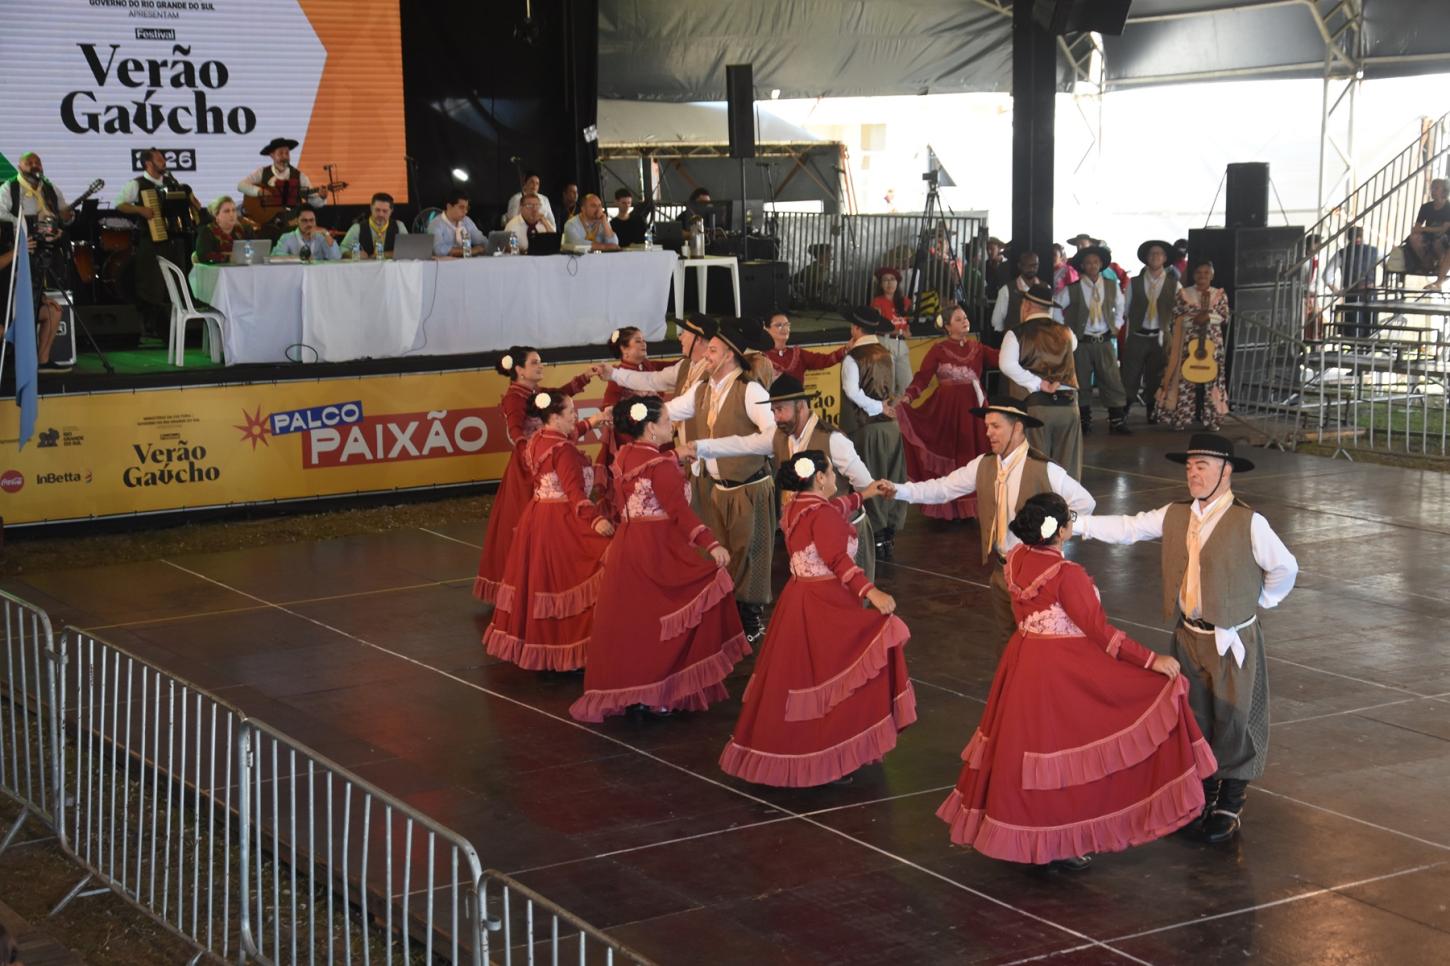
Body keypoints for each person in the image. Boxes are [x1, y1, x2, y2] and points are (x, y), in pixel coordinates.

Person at [936, 492, 1217, 868]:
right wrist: (1151, 660)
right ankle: (1055, 839)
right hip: (1060, 671)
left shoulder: (1016, 557)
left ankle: (1032, 833)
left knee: (1027, 749)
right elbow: (1101, 633)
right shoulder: (1067, 574)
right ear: (1061, 531)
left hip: (1023, 661)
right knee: (1061, 755)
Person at [1073, 434, 1298, 844]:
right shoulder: (1176, 514)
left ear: (1226, 471)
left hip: (1231, 638)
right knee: (1194, 716)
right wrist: (1079, 524)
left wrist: (1256, 602)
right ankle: (1203, 793)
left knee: (1234, 719)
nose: (1193, 473)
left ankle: (1230, 801)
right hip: (1188, 635)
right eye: (1190, 466)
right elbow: (1130, 527)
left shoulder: (1249, 522)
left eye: (1203, 466)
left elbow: (1285, 568)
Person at [718, 452, 910, 788]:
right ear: (819, 478)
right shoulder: (822, 515)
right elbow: (838, 560)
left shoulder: (796, 507)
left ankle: (805, 749)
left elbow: (833, 509)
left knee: (802, 678)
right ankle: (826, 753)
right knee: (832, 679)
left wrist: (864, 494)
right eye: (831, 472)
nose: (835, 477)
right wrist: (872, 592)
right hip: (826, 605)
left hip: (798, 600)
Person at [570, 396, 749, 722]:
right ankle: (659, 691)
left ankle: (635, 692)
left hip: (628, 546)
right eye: (667, 420)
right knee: (663, 620)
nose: (672, 425)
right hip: (658, 550)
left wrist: (674, 455)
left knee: (634, 623)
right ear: (651, 427)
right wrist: (712, 545)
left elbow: (648, 467)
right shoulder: (660, 465)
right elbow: (680, 512)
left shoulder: (625, 455)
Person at [879, 397, 1093, 652]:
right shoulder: (984, 464)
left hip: (1038, 575)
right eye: (987, 426)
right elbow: (943, 488)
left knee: (1038, 647)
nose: (988, 432)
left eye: (996, 426)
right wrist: (899, 490)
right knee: (1008, 645)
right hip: (1002, 571)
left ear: (1017, 427)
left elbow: (1085, 503)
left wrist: (1055, 532)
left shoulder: (1044, 469)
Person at [483, 390, 615, 671]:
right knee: (583, 572)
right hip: (563, 520)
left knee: (545, 583)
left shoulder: (537, 439)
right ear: (554, 417)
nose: (575, 416)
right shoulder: (563, 450)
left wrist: (595, 421)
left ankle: (549, 647)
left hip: (537, 517)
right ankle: (572, 646)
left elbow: (568, 436)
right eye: (571, 412)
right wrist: (596, 521)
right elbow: (576, 494)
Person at [666, 318, 779, 642]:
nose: (706, 355)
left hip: (748, 487)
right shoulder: (703, 389)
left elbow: (772, 439)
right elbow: (669, 411)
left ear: (730, 355)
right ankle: (727, 616)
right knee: (722, 554)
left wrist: (711, 447)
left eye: (713, 351)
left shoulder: (750, 390)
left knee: (750, 554)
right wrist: (632, 414)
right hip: (717, 488)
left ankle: (749, 619)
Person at [473, 348, 599, 603]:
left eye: (540, 362)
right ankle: (525, 586)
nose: (540, 366)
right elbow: (515, 432)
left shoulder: (534, 393)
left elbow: (558, 398)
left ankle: (544, 582)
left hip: (542, 462)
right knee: (527, 524)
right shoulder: (514, 398)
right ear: (519, 370)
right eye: (534, 363)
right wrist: (532, 456)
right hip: (529, 469)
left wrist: (584, 377)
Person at [595, 314, 718, 511]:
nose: (679, 337)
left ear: (699, 338)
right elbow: (652, 380)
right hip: (660, 440)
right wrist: (614, 376)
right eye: (638, 341)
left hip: (706, 453)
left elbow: (663, 389)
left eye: (684, 332)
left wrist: (644, 414)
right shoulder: (686, 366)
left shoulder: (712, 370)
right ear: (624, 349)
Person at [895, 303, 999, 520]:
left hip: (974, 413)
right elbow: (923, 378)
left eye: (965, 317)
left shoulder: (977, 347)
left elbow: (1002, 359)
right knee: (952, 457)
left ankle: (972, 508)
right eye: (958, 319)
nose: (965, 321)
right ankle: (950, 508)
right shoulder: (938, 350)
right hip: (946, 413)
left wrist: (1022, 348)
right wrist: (909, 396)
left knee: (974, 456)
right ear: (948, 326)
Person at [838, 306, 908, 560]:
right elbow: (897, 385)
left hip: (867, 427)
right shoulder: (886, 353)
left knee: (871, 477)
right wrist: (885, 406)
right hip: (890, 427)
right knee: (892, 475)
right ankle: (889, 530)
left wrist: (877, 407)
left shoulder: (853, 358)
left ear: (856, 328)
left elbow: (851, 391)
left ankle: (877, 532)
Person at [999, 286, 1082, 479]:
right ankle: (1067, 499)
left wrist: (1037, 383)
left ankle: (1040, 499)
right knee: (1068, 468)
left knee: (1036, 464)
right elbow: (1072, 349)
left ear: (1026, 305)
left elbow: (1006, 364)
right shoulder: (1067, 333)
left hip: (1037, 406)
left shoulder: (1017, 333)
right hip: (1069, 406)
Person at [115, 147, 200, 334]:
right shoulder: (137, 184)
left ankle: (179, 324)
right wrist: (140, 210)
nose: (164, 163)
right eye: (160, 160)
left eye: (163, 159)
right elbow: (119, 204)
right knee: (151, 284)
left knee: (177, 281)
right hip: (151, 240)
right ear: (148, 163)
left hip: (175, 239)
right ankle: (153, 327)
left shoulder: (172, 183)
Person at [1058, 245, 1129, 436]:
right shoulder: (1073, 289)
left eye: (1096, 262)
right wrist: (1064, 331)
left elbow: (1120, 306)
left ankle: (1116, 420)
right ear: (1082, 265)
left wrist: (1117, 325)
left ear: (1101, 264)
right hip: (1082, 342)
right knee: (1081, 381)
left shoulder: (1111, 286)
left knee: (1111, 379)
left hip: (1104, 340)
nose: (1092, 265)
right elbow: (1055, 306)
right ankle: (1083, 420)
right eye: (1088, 262)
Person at [1158, 261, 1231, 431]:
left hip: (1212, 344)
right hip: (1188, 342)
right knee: (1184, 379)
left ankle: (1212, 419)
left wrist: (1208, 317)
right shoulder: (1184, 294)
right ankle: (1181, 418)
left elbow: (1225, 316)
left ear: (1212, 275)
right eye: (1199, 272)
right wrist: (1193, 319)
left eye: (1206, 273)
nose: (1202, 276)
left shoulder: (1219, 294)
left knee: (1213, 379)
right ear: (1193, 275)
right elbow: (1176, 316)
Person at [1121, 240, 1179, 424]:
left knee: (1156, 376)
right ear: (1146, 258)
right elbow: (1125, 309)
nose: (1155, 257)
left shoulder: (1174, 285)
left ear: (1165, 258)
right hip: (1138, 335)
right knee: (1130, 375)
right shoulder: (1134, 282)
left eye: (1159, 253)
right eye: (1152, 253)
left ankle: (1152, 410)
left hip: (1161, 336)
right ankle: (1123, 410)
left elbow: (1179, 311)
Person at [0, 218, 64, 372]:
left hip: (15, 306)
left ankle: (43, 361)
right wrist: (16, 251)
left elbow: (24, 278)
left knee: (53, 312)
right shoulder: (13, 250)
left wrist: (41, 298)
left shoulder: (10, 243)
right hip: (3, 311)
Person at [237, 137, 325, 211]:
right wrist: (259, 191)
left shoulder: (299, 176)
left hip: (293, 221)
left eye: (287, 153)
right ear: (272, 155)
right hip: (267, 220)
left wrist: (322, 197)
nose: (285, 157)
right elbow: (241, 185)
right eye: (280, 153)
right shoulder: (262, 172)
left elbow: (316, 204)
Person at [1326, 226, 1381, 338]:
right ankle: (1368, 346)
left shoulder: (1342, 253)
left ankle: (1355, 347)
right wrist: (1381, 284)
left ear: (1349, 238)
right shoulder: (1374, 251)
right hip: (1370, 293)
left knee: (1354, 328)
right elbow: (1389, 264)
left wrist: (1337, 292)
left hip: (1352, 294)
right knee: (1371, 327)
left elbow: (1327, 275)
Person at [990, 249, 1061, 334]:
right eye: (1027, 265)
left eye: (1035, 265)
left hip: (1040, 339)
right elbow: (996, 322)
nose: (1031, 268)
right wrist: (1008, 337)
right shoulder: (1007, 290)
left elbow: (1051, 316)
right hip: (1015, 340)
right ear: (1019, 266)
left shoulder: (1046, 288)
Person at [763, 312, 845, 383]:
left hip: (798, 397)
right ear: (766, 329)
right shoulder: (761, 357)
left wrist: (845, 350)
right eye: (779, 325)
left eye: (787, 325)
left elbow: (824, 360)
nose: (785, 329)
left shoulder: (797, 354)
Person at [870, 266, 913, 393]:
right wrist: (900, 332)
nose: (889, 283)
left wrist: (907, 331)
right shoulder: (877, 302)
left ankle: (898, 406)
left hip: (901, 344)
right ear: (881, 284)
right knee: (889, 386)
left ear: (897, 282)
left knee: (907, 384)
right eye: (885, 280)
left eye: (892, 279)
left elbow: (907, 322)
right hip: (885, 342)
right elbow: (877, 326)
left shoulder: (905, 301)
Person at [1407, 178, 1450, 290]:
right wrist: (1421, 230)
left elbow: (1443, 229)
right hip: (1429, 237)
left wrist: (1424, 229)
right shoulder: (1426, 207)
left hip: (1445, 240)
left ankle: (1439, 277)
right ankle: (1428, 265)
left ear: (1444, 191)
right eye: (1432, 188)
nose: (1433, 190)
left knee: (1439, 240)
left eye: (1436, 188)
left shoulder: (1448, 207)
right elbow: (1417, 227)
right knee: (1413, 238)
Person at [340, 193, 408, 259]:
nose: (381, 214)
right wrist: (354, 254)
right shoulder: (357, 228)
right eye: (377, 210)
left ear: (391, 211)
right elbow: (342, 250)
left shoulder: (399, 226)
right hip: (365, 266)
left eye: (385, 211)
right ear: (371, 208)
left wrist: (385, 254)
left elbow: (407, 250)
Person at [193, 196, 252, 264]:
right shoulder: (207, 231)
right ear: (216, 216)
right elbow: (203, 256)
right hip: (216, 269)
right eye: (227, 211)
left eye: (234, 210)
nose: (232, 214)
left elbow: (254, 250)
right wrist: (228, 257)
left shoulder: (244, 230)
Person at [430, 190, 488, 257]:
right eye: (461, 207)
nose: (465, 211)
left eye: (467, 208)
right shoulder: (436, 224)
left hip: (467, 262)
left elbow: (481, 240)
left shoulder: (466, 221)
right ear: (449, 207)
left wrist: (488, 245)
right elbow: (438, 250)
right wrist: (469, 251)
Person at [274, 208, 340, 261]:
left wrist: (326, 234)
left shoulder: (322, 237)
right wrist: (299, 258)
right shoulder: (287, 237)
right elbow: (276, 256)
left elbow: (336, 258)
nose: (309, 224)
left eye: (311, 220)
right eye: (304, 220)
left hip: (318, 272)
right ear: (297, 221)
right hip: (296, 272)